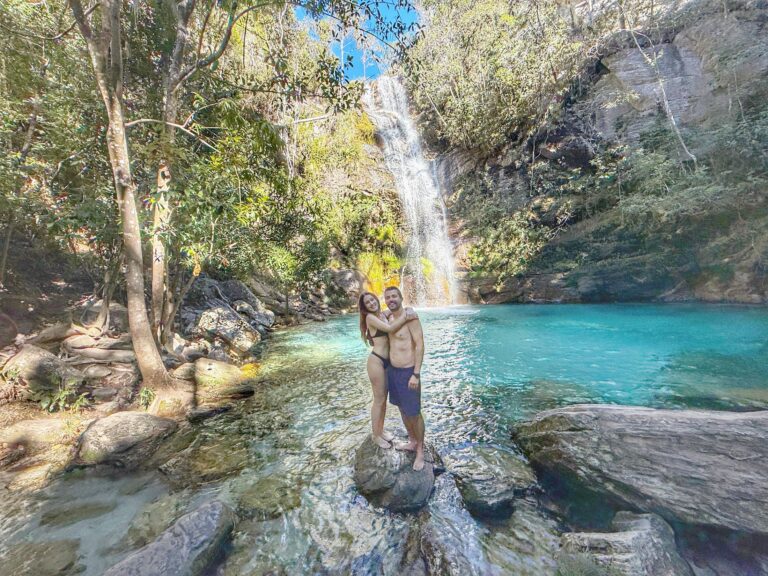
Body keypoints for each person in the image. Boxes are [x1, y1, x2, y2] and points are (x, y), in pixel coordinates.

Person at [358, 292, 417, 449]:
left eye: (372, 300)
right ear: (364, 307)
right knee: (378, 400)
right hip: (376, 361)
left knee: (383, 399)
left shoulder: (382, 314)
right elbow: (390, 329)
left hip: (387, 363)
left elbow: (397, 308)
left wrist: (409, 309)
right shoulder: (370, 318)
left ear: (377, 300)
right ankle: (376, 436)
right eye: (367, 303)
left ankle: (381, 430)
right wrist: (406, 317)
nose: (371, 303)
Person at [383, 286, 426, 471]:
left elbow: (419, 344)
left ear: (401, 298)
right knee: (402, 409)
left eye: (394, 296)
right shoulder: (388, 318)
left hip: (409, 372)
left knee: (414, 413)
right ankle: (412, 441)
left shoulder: (411, 317)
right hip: (393, 372)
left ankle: (421, 451)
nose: (391, 299)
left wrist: (416, 373)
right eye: (388, 297)